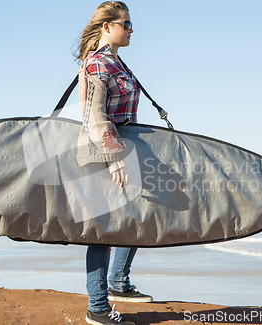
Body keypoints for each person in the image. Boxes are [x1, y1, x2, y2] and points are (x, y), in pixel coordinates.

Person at [74, 2, 153, 324]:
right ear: (107, 26)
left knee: (132, 221)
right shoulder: (97, 64)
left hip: (125, 150)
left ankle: (118, 283)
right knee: (102, 231)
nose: (132, 30)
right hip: (102, 155)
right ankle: (98, 308)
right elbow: (94, 116)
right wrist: (114, 159)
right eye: (126, 24)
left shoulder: (118, 64)